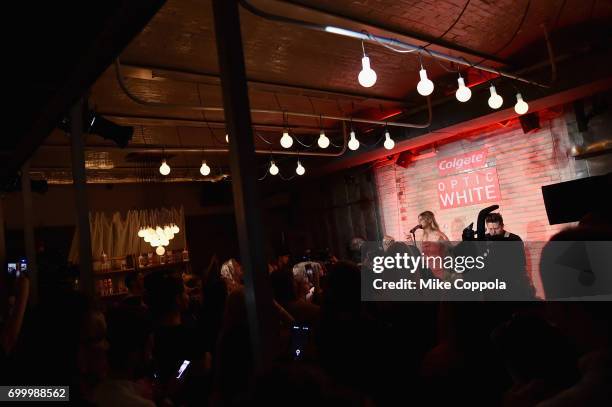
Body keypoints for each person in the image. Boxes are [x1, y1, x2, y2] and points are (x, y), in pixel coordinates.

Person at [93, 307, 155, 407]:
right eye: (149, 349)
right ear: (134, 353)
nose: (150, 357)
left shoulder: (89, 391)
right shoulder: (141, 404)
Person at [411, 211, 449, 279]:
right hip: (428, 273)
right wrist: (411, 241)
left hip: (440, 271)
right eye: (418, 220)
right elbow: (420, 255)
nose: (419, 222)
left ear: (429, 220)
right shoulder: (422, 237)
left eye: (421, 219)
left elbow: (450, 251)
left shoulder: (439, 235)